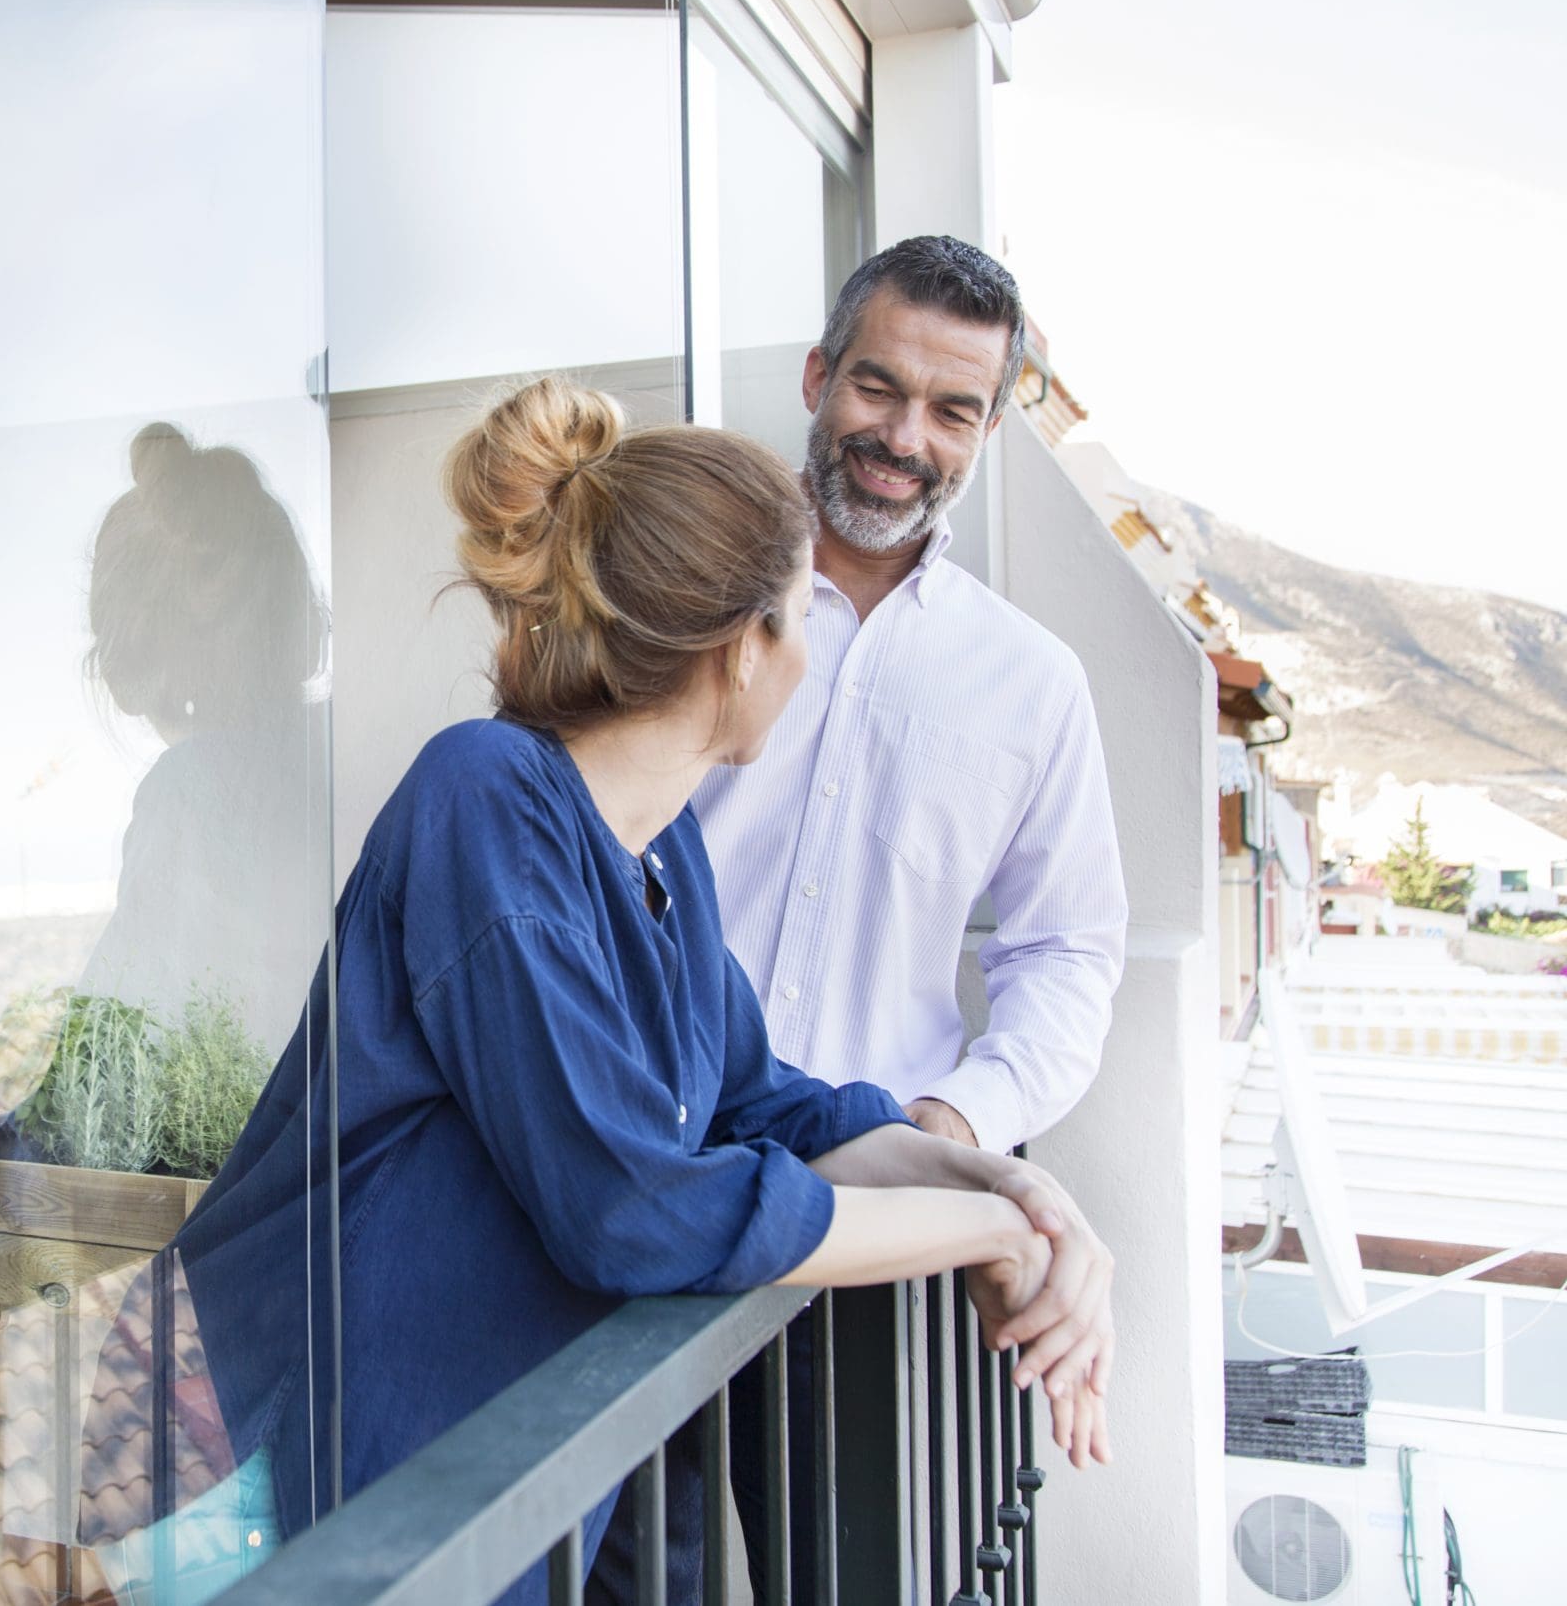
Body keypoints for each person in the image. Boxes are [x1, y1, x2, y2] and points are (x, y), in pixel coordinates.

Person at [110, 378, 1111, 1606]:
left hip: (488, 1469)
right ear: (742, 651)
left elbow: (763, 1106)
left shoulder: (661, 852)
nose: (806, 654)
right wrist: (991, 1236)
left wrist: (1013, 1186)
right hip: (345, 1479)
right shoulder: (483, 795)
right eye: (799, 617)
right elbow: (629, 1206)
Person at [689, 234, 1126, 1600]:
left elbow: (1067, 947)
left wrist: (953, 1131)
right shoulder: (689, 605)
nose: (904, 437)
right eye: (878, 388)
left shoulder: (1031, 682)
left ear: (988, 429)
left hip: (868, 1233)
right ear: (820, 377)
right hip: (641, 1184)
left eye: (952, 410)